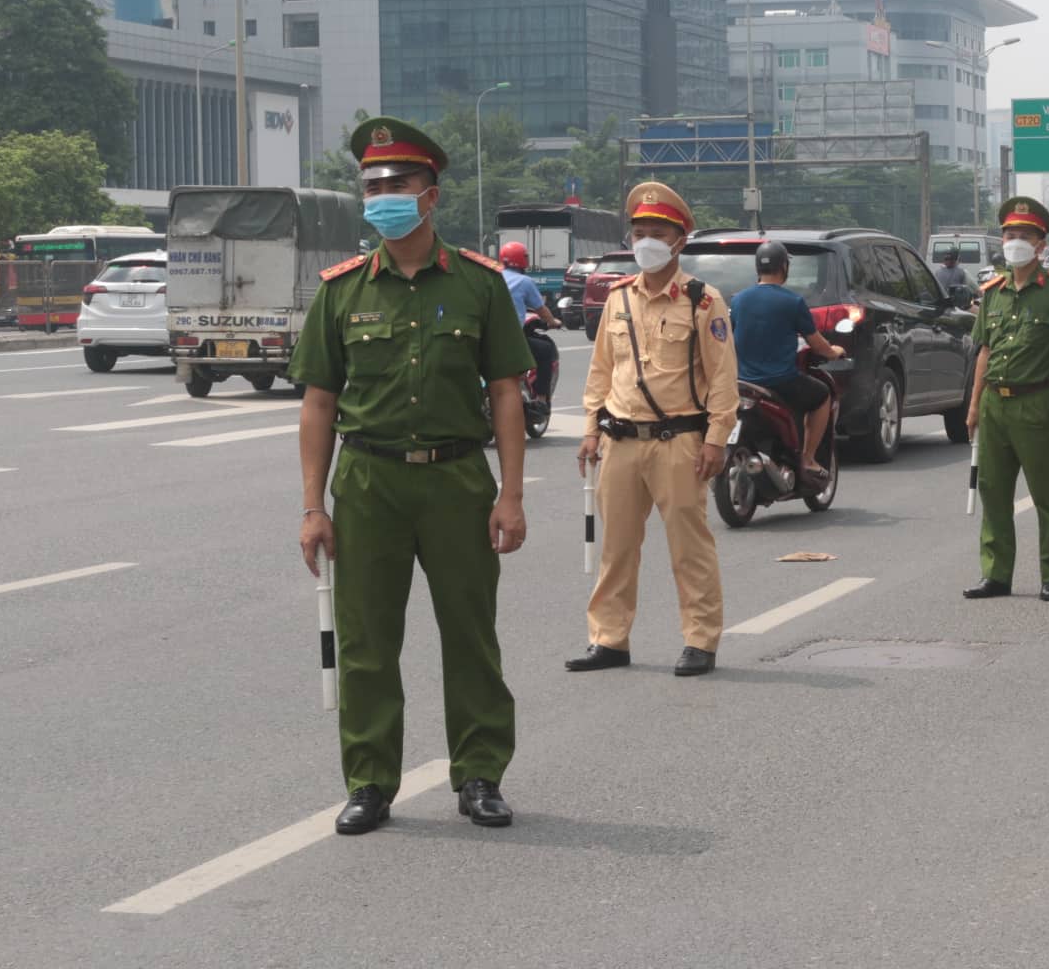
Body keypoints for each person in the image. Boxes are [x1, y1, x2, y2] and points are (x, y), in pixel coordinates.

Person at [290, 116, 535, 836]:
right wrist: (312, 506)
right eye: (372, 186)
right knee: (367, 640)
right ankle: (369, 781)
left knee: (470, 634)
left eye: (397, 184)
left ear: (431, 196)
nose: (382, 197)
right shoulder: (340, 292)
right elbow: (318, 405)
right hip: (368, 483)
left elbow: (505, 394)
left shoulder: (480, 286)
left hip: (458, 479)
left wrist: (512, 496)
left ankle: (481, 774)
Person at [567, 183, 738, 678]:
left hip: (679, 442)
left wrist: (716, 439)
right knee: (617, 549)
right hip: (620, 441)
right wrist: (589, 430)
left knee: (690, 549)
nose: (646, 241)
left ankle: (700, 641)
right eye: (639, 232)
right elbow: (601, 372)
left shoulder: (703, 302)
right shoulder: (618, 300)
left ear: (679, 240)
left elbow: (723, 377)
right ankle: (609, 639)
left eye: (657, 233)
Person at [964, 196, 1049, 603]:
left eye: (1023, 235)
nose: (1014, 241)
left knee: (1046, 495)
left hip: (1035, 403)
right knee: (994, 493)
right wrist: (972, 405)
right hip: (994, 404)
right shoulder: (993, 292)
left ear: (1040, 245)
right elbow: (983, 350)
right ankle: (996, 575)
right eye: (1008, 234)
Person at [729, 239, 847, 479]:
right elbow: (816, 343)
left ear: (757, 268)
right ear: (784, 267)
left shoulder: (738, 300)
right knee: (822, 395)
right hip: (779, 381)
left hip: (743, 382)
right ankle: (808, 458)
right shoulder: (792, 302)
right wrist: (834, 351)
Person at [499, 241, 559, 399]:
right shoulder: (524, 281)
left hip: (489, 337)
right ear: (522, 260)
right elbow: (541, 309)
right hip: (512, 339)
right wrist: (553, 322)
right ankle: (541, 397)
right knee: (545, 350)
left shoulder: (493, 276)